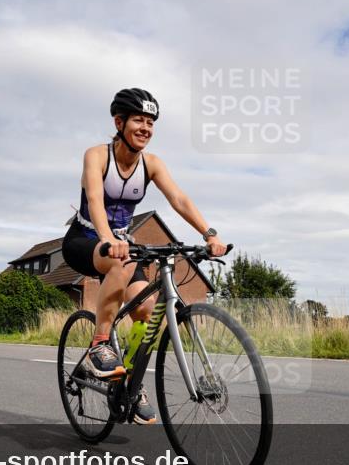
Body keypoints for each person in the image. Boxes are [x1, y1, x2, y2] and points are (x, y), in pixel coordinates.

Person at [62, 88, 227, 425]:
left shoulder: (151, 164)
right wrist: (108, 239)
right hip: (85, 239)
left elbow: (178, 199)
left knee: (147, 313)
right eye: (139, 120)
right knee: (121, 262)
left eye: (151, 123)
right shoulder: (97, 156)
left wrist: (208, 233)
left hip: (122, 246)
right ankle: (99, 345)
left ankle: (131, 386)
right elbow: (95, 201)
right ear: (119, 123)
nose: (146, 128)